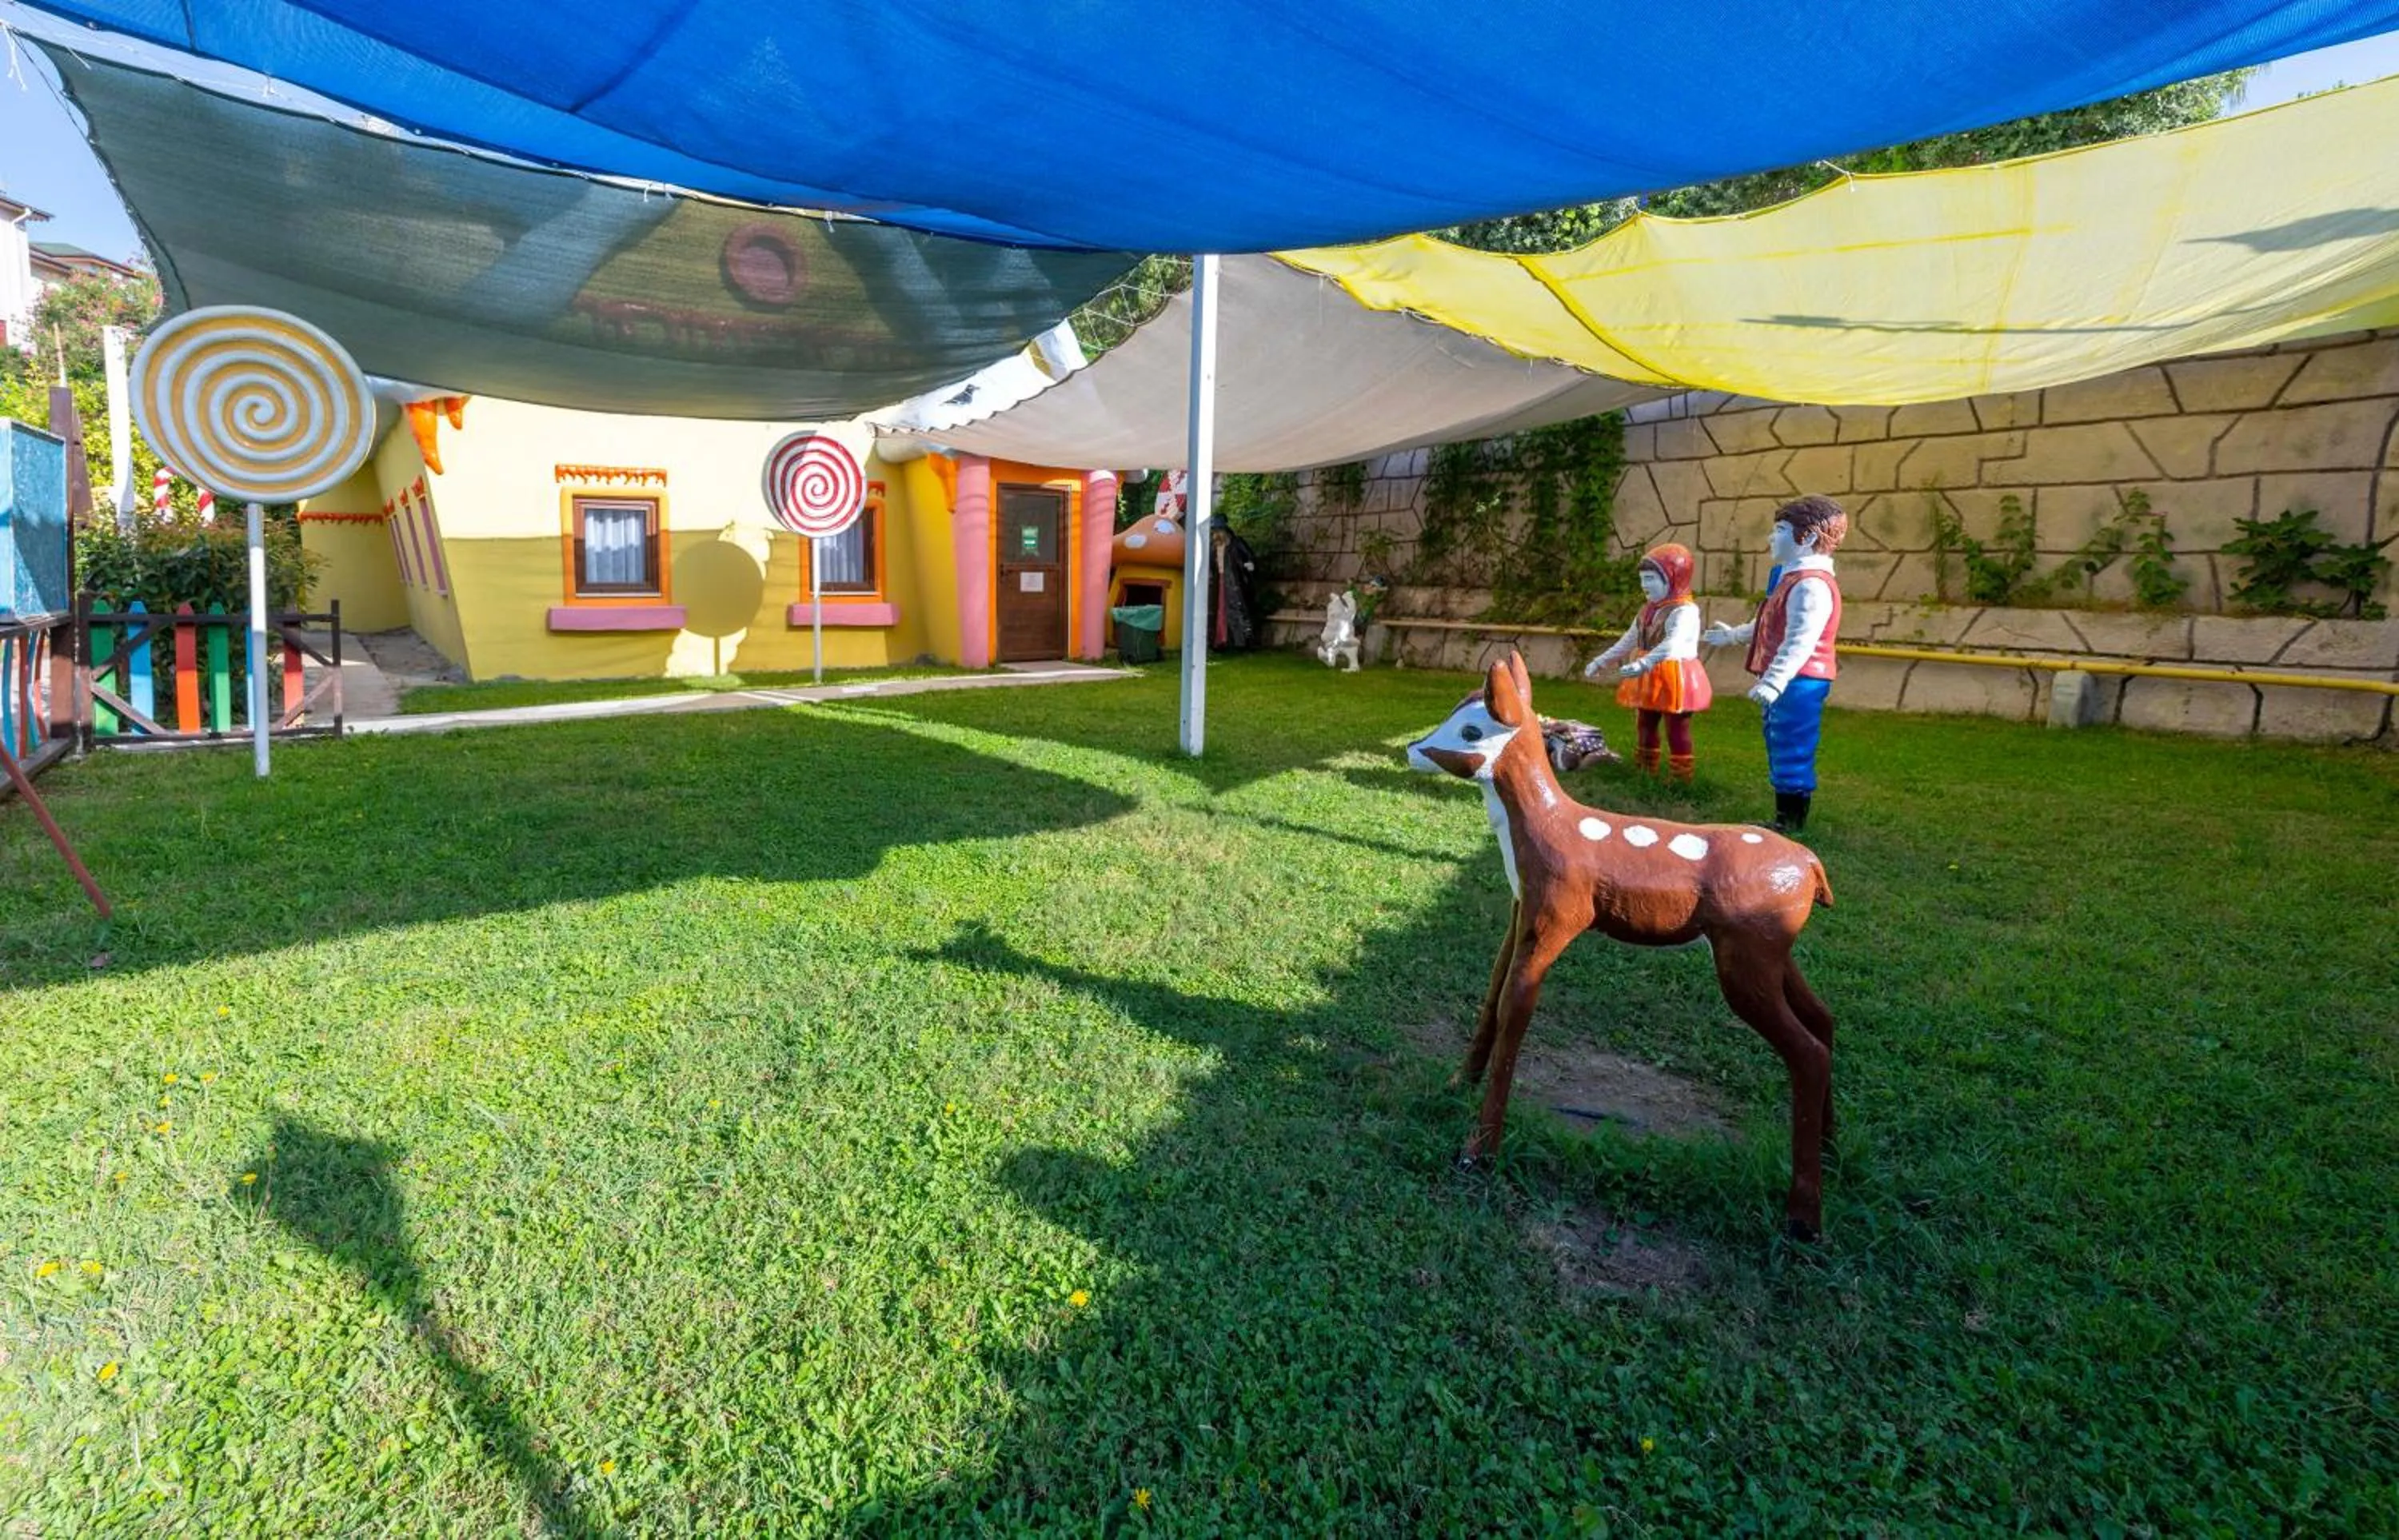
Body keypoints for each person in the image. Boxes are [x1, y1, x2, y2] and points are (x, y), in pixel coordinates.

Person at [1702, 494, 1846, 832]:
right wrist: (1734, 636)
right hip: (1788, 679)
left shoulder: (1811, 585)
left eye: (1780, 530)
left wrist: (1774, 680)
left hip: (1800, 680)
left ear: (1808, 537)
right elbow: (1768, 620)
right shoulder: (1790, 578)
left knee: (1792, 743)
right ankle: (1785, 815)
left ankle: (1790, 822)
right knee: (1779, 739)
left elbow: (1801, 640)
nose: (1771, 537)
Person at [1583, 542, 1712, 781]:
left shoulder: (1685, 611)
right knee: (1645, 722)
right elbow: (1629, 639)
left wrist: (1643, 664)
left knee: (1677, 726)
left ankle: (1681, 777)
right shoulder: (1647, 610)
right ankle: (1645, 770)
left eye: (1651, 578)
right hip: (1648, 674)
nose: (1645, 585)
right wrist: (1601, 661)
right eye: (1643, 578)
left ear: (1674, 578)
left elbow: (1672, 644)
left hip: (1677, 676)